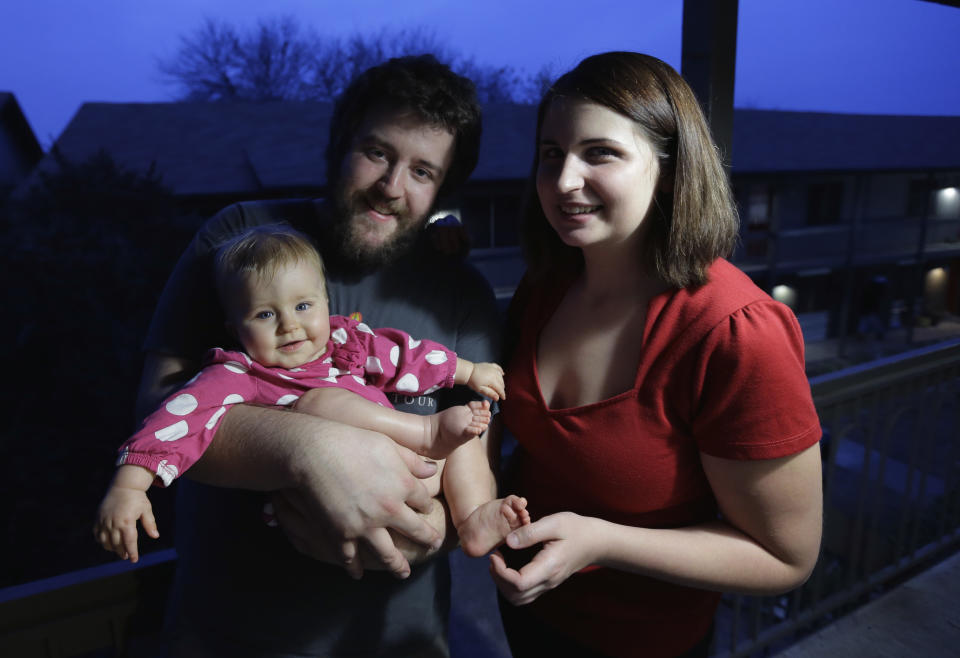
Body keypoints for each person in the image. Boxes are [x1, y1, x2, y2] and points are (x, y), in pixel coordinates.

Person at [135, 55, 501, 656]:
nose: (391, 186)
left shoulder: (463, 296)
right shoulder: (240, 244)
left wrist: (439, 533)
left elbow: (471, 458)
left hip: (398, 638)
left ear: (442, 189)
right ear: (340, 143)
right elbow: (156, 406)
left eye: (422, 170)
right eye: (378, 152)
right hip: (229, 634)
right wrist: (308, 449)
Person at [490, 52, 824, 658]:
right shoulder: (545, 287)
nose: (564, 180)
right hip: (526, 615)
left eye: (600, 152)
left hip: (645, 642)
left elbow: (786, 557)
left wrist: (603, 543)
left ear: (669, 170)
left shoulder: (734, 330)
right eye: (551, 153)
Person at [95, 226, 528, 565]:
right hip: (337, 489)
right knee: (320, 405)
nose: (290, 326)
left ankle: (474, 519)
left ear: (326, 303)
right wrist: (130, 485)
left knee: (468, 435)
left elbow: (404, 356)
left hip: (411, 472)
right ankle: (428, 429)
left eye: (303, 306)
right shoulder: (238, 373)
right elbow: (181, 414)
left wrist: (468, 370)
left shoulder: (347, 342)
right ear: (236, 330)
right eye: (265, 314)